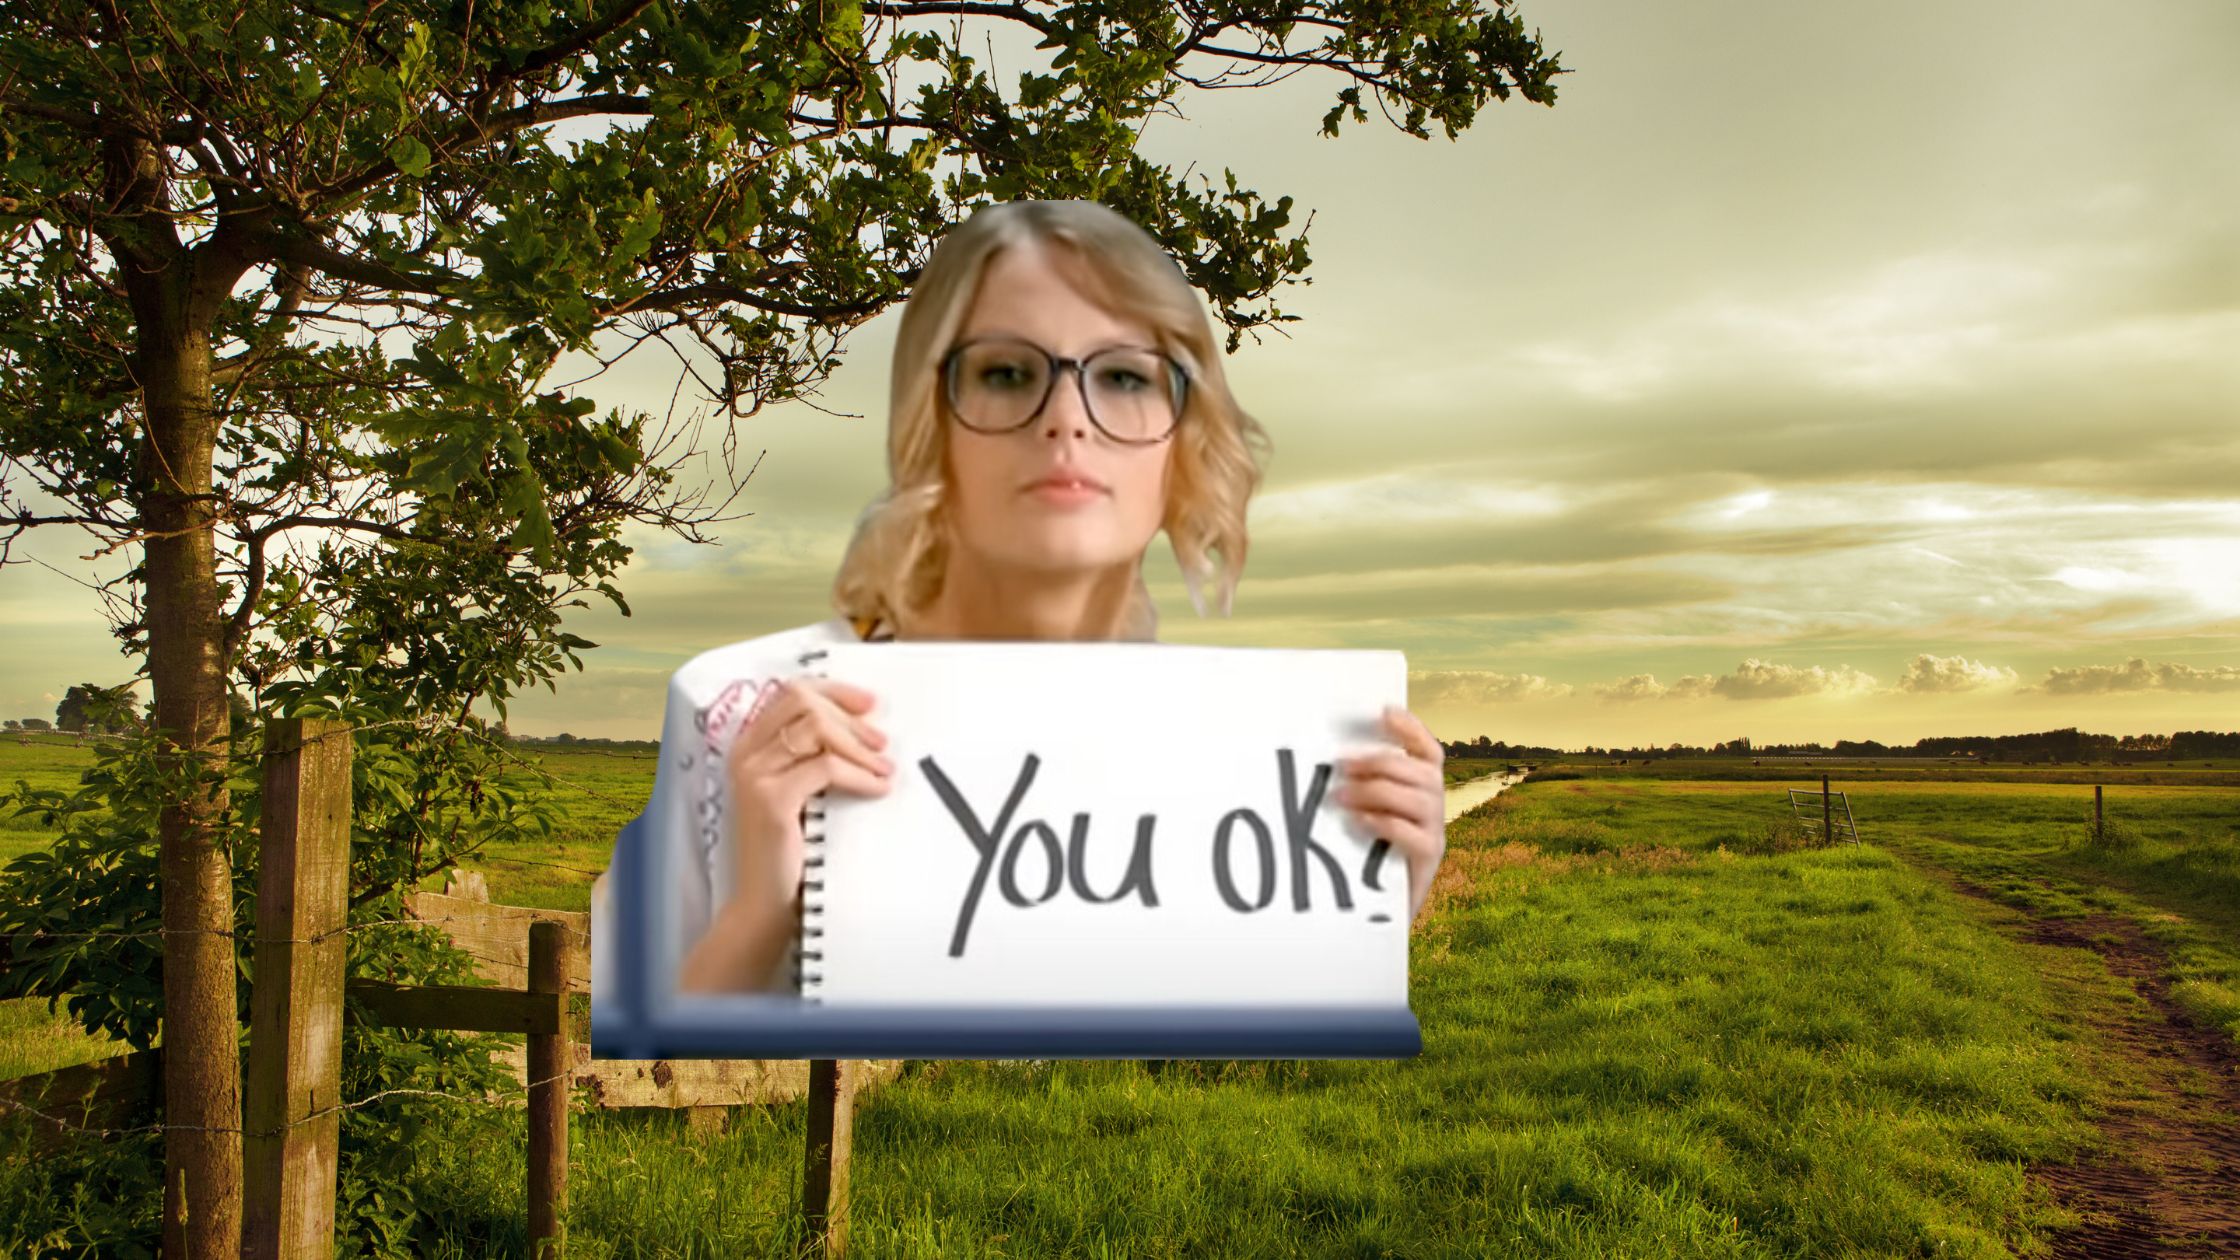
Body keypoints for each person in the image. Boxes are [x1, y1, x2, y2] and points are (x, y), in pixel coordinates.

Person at [594, 199, 1448, 997]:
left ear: (1184, 441)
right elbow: (607, 1084)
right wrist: (758, 912)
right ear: (932, 420)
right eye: (1007, 372)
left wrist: (1363, 910)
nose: (1066, 418)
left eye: (1122, 377)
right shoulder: (736, 717)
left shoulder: (1253, 762)